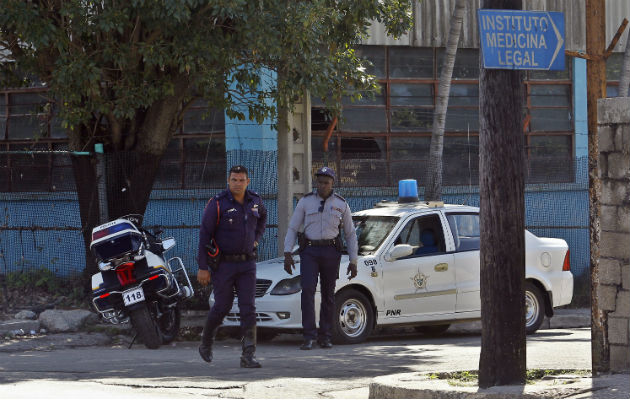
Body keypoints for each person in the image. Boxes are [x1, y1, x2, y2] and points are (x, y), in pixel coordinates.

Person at [197, 165, 267, 368]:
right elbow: (204, 235)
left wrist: (256, 238)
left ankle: (248, 355)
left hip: (247, 263)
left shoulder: (255, 200)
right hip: (224, 265)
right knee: (222, 306)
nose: (237, 183)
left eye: (241, 179)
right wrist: (203, 267)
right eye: (234, 179)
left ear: (248, 181)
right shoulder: (217, 204)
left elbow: (263, 217)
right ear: (228, 181)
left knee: (248, 308)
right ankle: (206, 342)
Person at [283, 166, 358, 350]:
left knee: (328, 294)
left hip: (331, 252)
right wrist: (287, 253)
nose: (322, 185)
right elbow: (293, 227)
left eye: (326, 182)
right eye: (319, 182)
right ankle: (308, 336)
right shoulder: (305, 202)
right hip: (310, 251)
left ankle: (325, 336)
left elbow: (350, 234)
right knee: (307, 290)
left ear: (332, 183)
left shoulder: (341, 203)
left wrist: (353, 261)